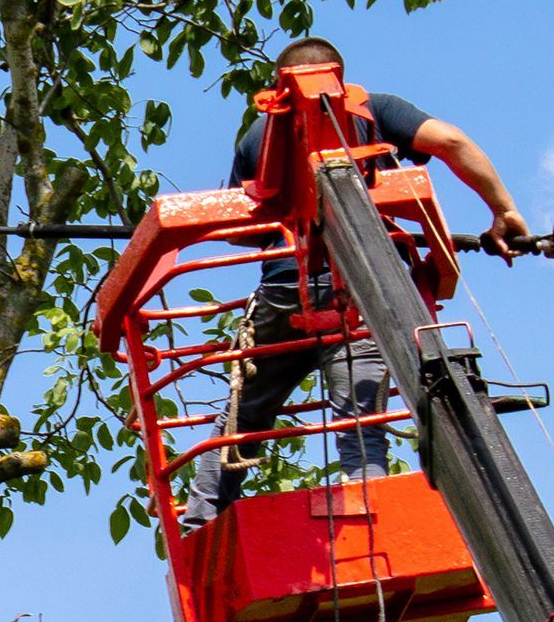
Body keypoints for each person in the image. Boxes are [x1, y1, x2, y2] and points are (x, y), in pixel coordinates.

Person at [179, 37, 528, 533]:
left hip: (284, 296)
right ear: (341, 75)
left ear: (277, 86)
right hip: (360, 294)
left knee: (240, 421)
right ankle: (375, 530)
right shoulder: (377, 110)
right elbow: (452, 143)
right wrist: (503, 209)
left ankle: (199, 526)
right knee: (361, 426)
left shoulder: (258, 136)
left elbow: (240, 227)